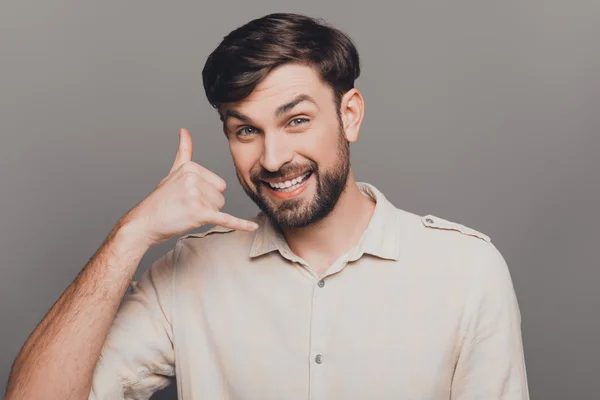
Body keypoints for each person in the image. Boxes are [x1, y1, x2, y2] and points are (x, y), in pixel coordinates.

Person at [5, 12, 529, 400]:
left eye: (296, 120)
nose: (274, 158)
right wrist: (132, 234)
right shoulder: (189, 273)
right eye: (245, 131)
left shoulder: (466, 272)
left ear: (350, 115)